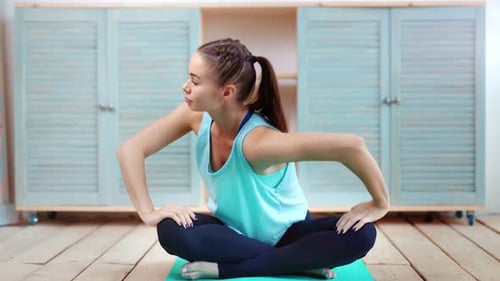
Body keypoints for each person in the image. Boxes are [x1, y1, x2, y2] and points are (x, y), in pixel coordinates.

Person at [117, 38, 390, 280]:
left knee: (363, 233)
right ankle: (296, 263)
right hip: (233, 233)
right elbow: (130, 150)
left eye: (195, 81)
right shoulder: (193, 116)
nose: (185, 87)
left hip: (290, 233)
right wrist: (149, 213)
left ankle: (236, 269)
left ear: (226, 92)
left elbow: (352, 146)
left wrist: (380, 203)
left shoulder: (258, 143)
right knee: (170, 230)